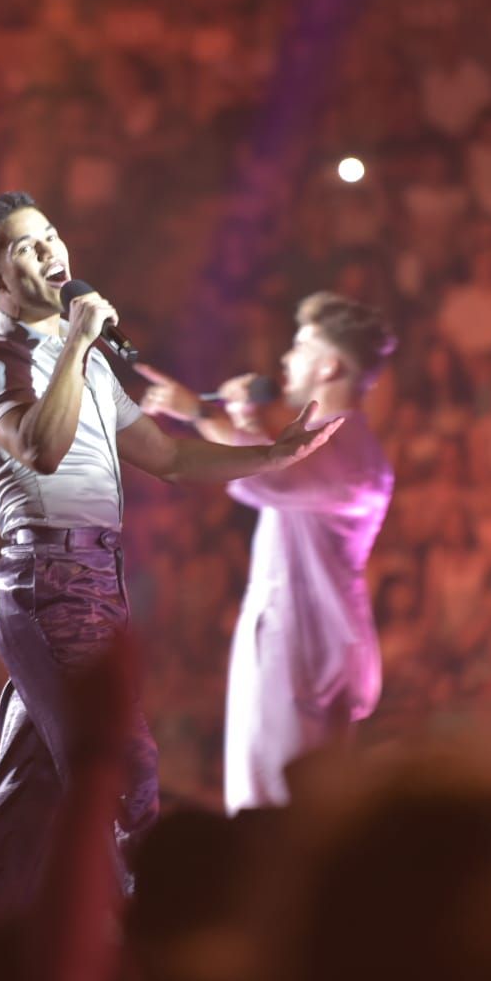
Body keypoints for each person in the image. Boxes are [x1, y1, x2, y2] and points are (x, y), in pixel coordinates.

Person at [0, 191, 335, 910]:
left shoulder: (87, 361)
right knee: (128, 771)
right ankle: (157, 938)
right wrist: (74, 343)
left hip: (98, 577)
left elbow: (169, 458)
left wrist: (271, 456)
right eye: (26, 248)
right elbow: (40, 445)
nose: (50, 252)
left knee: (25, 785)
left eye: (51, 236)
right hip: (48, 578)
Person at [139, 292, 395, 811]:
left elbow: (264, 475)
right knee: (267, 804)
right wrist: (206, 413)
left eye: (300, 347)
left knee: (280, 813)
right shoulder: (327, 441)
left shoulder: (350, 458)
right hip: (291, 639)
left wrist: (212, 415)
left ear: (328, 365)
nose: (285, 359)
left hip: (304, 651)